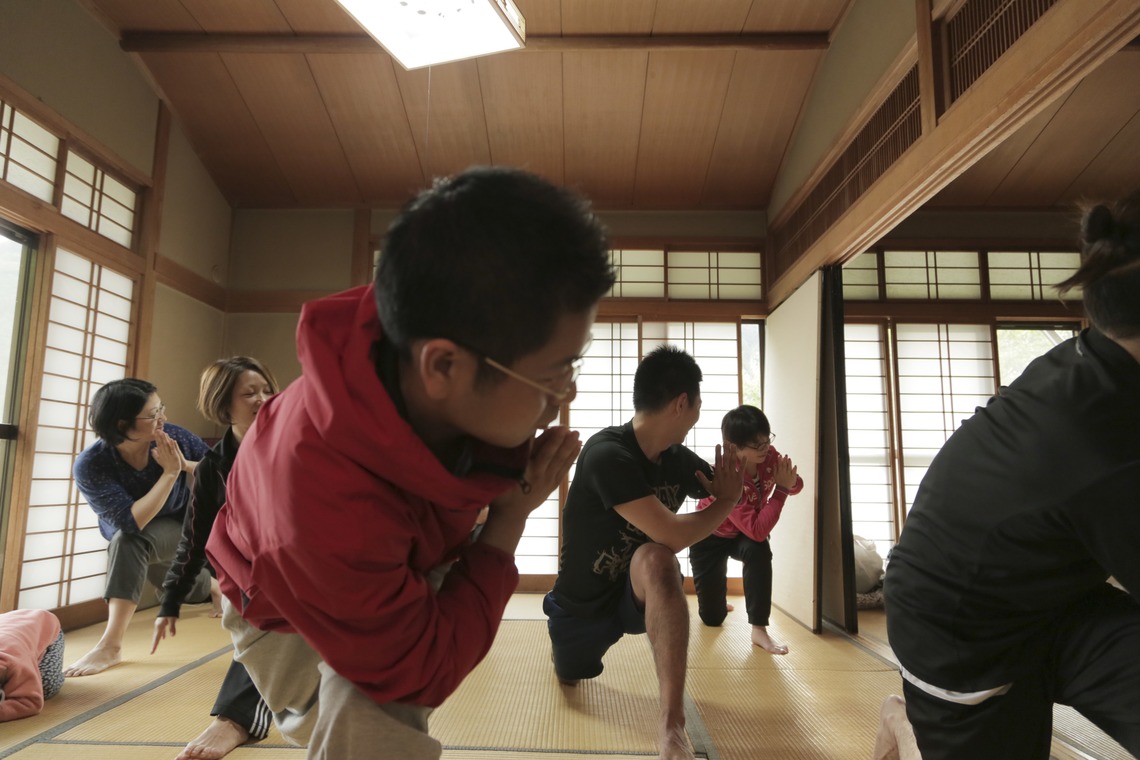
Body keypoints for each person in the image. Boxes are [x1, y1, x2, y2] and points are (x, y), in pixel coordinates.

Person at [205, 166, 616, 759]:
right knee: (370, 711)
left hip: (404, 550)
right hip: (279, 607)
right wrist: (509, 521)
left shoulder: (416, 334)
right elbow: (418, 670)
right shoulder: (323, 507)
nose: (565, 396)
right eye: (553, 374)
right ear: (443, 366)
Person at [884, 190, 1140, 760]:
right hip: (957, 637)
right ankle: (909, 724)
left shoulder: (1091, 359)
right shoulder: (1105, 445)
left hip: (1048, 599)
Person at [545, 345, 744, 760]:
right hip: (580, 612)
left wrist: (760, 476)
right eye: (698, 406)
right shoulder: (607, 454)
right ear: (681, 403)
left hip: (632, 597)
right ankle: (566, 649)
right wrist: (725, 503)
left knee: (658, 560)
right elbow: (673, 531)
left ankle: (672, 727)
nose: (697, 417)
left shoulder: (676, 458)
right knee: (570, 673)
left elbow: (726, 485)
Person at [150, 358, 278, 760]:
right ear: (224, 406)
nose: (262, 399)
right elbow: (196, 536)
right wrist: (170, 600)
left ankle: (234, 719)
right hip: (248, 574)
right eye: (249, 393)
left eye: (265, 390)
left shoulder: (300, 444)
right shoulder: (212, 467)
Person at [66, 378, 215, 677]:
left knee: (128, 543)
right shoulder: (92, 464)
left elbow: (223, 469)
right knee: (186, 590)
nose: (164, 418)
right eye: (154, 414)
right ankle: (214, 585)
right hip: (137, 527)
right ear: (122, 424)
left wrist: (182, 465)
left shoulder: (172, 437)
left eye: (161, 409)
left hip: (178, 526)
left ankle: (110, 646)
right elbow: (134, 521)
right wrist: (169, 474)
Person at [689, 405, 802, 654]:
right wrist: (782, 490)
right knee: (712, 618)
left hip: (742, 533)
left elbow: (795, 483)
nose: (765, 448)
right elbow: (758, 527)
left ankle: (759, 629)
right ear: (733, 447)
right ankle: (716, 602)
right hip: (709, 536)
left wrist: (788, 483)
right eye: (757, 445)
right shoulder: (729, 475)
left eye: (766, 440)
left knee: (759, 549)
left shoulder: (769, 456)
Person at [0, 609, 64, 721]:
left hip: (47, 627)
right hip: (11, 626)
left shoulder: (14, 663)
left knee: (46, 685)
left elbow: (31, 702)